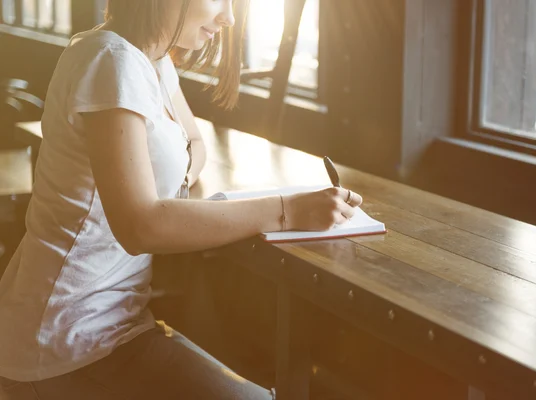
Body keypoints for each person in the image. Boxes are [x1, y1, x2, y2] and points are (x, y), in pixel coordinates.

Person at [0, 0, 363, 398]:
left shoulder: (151, 61)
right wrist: (288, 209)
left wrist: (172, 185)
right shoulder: (112, 59)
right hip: (62, 339)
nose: (228, 18)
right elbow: (141, 226)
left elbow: (194, 142)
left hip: (110, 323)